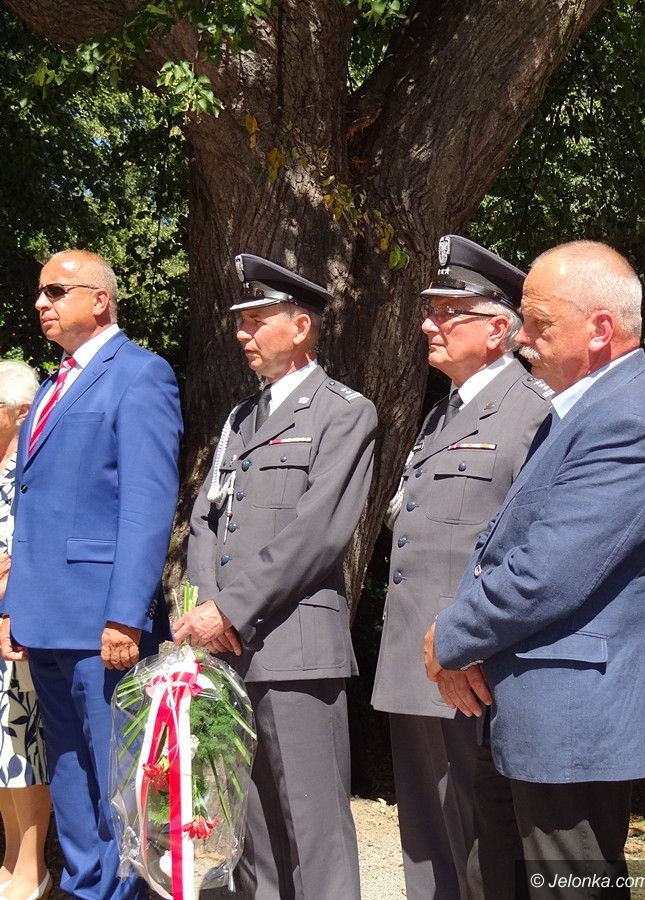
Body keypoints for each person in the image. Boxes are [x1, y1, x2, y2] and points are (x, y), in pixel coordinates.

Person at [425, 241, 645, 897]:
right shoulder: (586, 406)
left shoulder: (628, 417)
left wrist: (450, 638)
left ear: (599, 329)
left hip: (570, 721)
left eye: (538, 322)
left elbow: (547, 572)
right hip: (531, 706)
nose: (520, 336)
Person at [173, 253, 377, 900]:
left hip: (295, 650)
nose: (243, 333)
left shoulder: (344, 412)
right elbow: (206, 520)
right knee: (253, 828)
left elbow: (316, 533)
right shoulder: (241, 418)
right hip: (230, 648)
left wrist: (228, 609)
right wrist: (205, 611)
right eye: (241, 321)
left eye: (257, 320)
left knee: (313, 829)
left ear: (300, 326)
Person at [371, 235, 551, 900]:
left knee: (478, 854)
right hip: (416, 661)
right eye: (430, 310)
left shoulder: (532, 412)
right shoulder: (445, 412)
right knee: (426, 848)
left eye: (448, 311)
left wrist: (468, 643)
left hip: (470, 668)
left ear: (498, 329)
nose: (429, 323)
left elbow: (529, 549)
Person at [1, 251, 183, 900]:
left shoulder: (140, 374)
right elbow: (33, 507)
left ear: (99, 300)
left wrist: (125, 615)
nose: (41, 303)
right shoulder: (54, 384)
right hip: (45, 619)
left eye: (56, 291)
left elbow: (146, 505)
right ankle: (85, 889)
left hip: (104, 623)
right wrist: (13, 607)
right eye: (39, 292)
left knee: (117, 787)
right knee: (72, 782)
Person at [0, 361, 52, 900]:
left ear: (19, 413)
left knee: (24, 743)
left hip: (19, 625)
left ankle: (33, 864)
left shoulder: (31, 470)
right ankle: (12, 854)